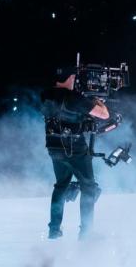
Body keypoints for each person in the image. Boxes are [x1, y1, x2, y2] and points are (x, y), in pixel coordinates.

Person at [40, 71, 110, 240]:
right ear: (65, 79)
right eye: (72, 77)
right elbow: (104, 115)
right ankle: (86, 233)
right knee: (88, 187)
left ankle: (54, 230)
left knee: (61, 186)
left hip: (54, 147)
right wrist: (97, 100)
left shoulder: (45, 95)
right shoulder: (74, 98)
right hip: (75, 149)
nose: (74, 80)